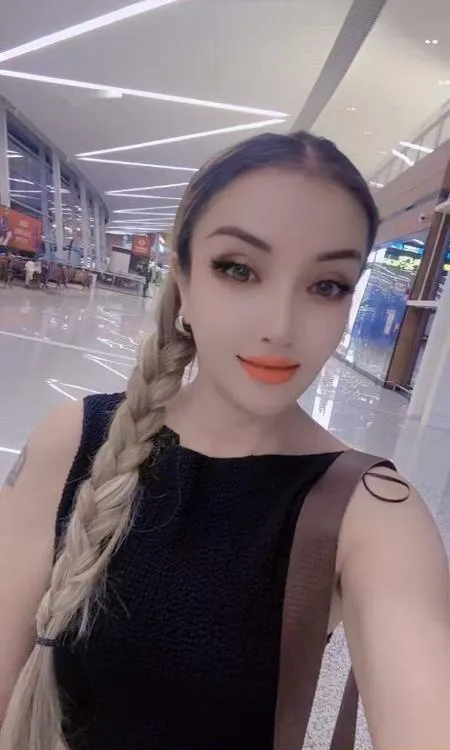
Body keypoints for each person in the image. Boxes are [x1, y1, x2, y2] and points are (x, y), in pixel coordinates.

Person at [1, 131, 449, 750]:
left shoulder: (370, 512)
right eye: (238, 269)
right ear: (182, 276)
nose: (280, 326)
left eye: (327, 285)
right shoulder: (76, 441)